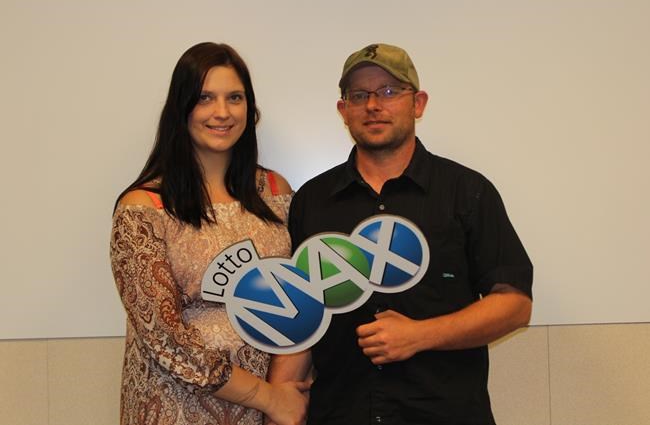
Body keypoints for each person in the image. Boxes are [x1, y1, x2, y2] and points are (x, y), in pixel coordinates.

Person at [267, 43, 533, 425]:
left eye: (390, 91)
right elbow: (304, 314)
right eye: (359, 95)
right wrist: (277, 401)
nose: (374, 105)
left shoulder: (467, 192)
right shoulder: (312, 201)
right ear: (343, 110)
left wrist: (420, 335)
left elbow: (515, 304)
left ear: (418, 103)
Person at [110, 42, 309, 425]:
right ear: (181, 108)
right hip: (177, 408)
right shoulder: (143, 208)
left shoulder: (276, 192)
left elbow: (305, 298)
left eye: (235, 97)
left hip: (272, 411)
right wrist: (267, 397)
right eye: (205, 98)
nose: (222, 112)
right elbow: (164, 338)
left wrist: (282, 394)